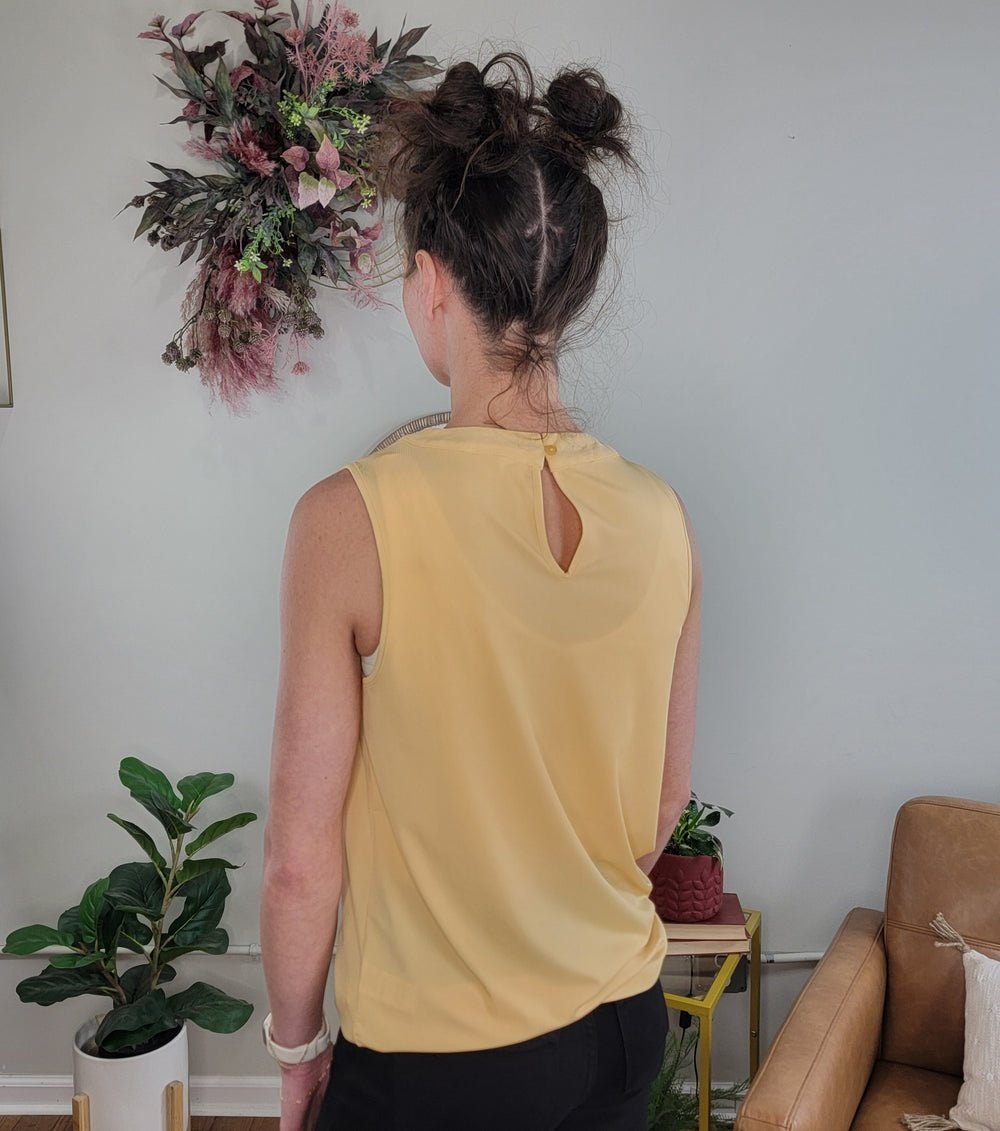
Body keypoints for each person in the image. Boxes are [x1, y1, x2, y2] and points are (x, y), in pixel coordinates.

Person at [260, 53, 701, 1131]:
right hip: (621, 1027)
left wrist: (294, 1045)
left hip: (439, 1063)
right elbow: (656, 811)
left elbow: (298, 864)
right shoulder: (660, 515)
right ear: (571, 294)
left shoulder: (350, 517)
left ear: (431, 283)